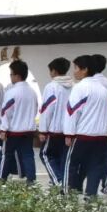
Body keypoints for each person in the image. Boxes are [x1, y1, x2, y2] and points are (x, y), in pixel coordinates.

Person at [63, 54, 107, 196]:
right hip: (101, 135)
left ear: (85, 69)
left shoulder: (80, 88)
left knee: (71, 163)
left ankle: (67, 192)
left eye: (76, 68)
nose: (74, 72)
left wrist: (69, 133)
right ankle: (90, 195)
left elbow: (72, 112)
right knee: (95, 166)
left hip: (83, 134)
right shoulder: (104, 89)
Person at [0, 59, 38, 183]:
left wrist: (3, 129)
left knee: (7, 155)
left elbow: (5, 112)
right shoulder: (32, 92)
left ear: (17, 75)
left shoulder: (12, 92)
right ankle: (31, 180)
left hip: (14, 131)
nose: (10, 77)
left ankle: (2, 178)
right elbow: (35, 109)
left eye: (11, 74)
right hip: (28, 130)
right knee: (28, 155)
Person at [38, 58, 73, 186]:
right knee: (62, 157)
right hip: (68, 129)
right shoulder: (73, 86)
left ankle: (58, 180)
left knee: (45, 155)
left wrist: (43, 130)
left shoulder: (51, 86)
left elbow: (47, 109)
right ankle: (62, 180)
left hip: (54, 129)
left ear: (54, 71)